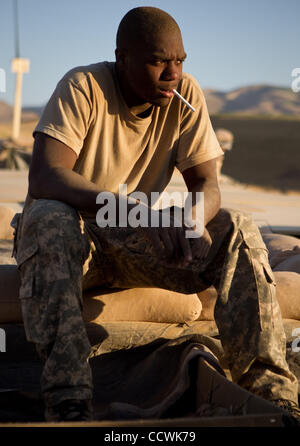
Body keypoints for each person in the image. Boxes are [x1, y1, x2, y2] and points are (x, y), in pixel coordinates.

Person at [13, 6, 299, 422]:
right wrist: (134, 212)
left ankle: (271, 396)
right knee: (48, 217)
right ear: (122, 57)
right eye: (158, 61)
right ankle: (69, 399)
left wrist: (192, 219)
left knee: (234, 224)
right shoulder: (83, 86)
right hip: (76, 237)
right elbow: (44, 176)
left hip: (137, 243)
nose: (173, 73)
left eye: (180, 61)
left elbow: (207, 184)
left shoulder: (184, 96)